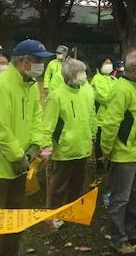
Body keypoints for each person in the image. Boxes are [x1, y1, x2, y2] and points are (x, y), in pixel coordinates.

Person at [0, 39, 53, 256]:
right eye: (38, 61)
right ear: (22, 61)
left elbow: (36, 118)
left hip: (20, 167)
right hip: (0, 169)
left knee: (15, 222)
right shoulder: (1, 84)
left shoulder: (29, 85)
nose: (41, 66)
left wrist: (35, 146)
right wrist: (17, 156)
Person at [100, 50, 136, 254]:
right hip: (125, 154)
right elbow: (111, 123)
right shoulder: (121, 89)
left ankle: (134, 231)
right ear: (134, 70)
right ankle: (118, 238)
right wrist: (106, 150)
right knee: (120, 198)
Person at [38, 58, 96, 228]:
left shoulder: (87, 92)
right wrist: (47, 146)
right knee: (58, 185)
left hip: (82, 147)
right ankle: (54, 215)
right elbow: (48, 124)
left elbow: (91, 117)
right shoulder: (56, 96)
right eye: (80, 73)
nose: (84, 76)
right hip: (63, 149)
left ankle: (72, 211)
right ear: (70, 76)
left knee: (78, 183)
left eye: (84, 71)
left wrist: (92, 136)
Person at [91, 57, 118, 170]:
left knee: (113, 142)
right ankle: (100, 166)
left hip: (114, 118)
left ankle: (111, 164)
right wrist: (117, 100)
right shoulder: (97, 79)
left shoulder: (114, 80)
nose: (109, 65)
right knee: (100, 143)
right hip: (101, 118)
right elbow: (104, 97)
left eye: (110, 62)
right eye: (106, 63)